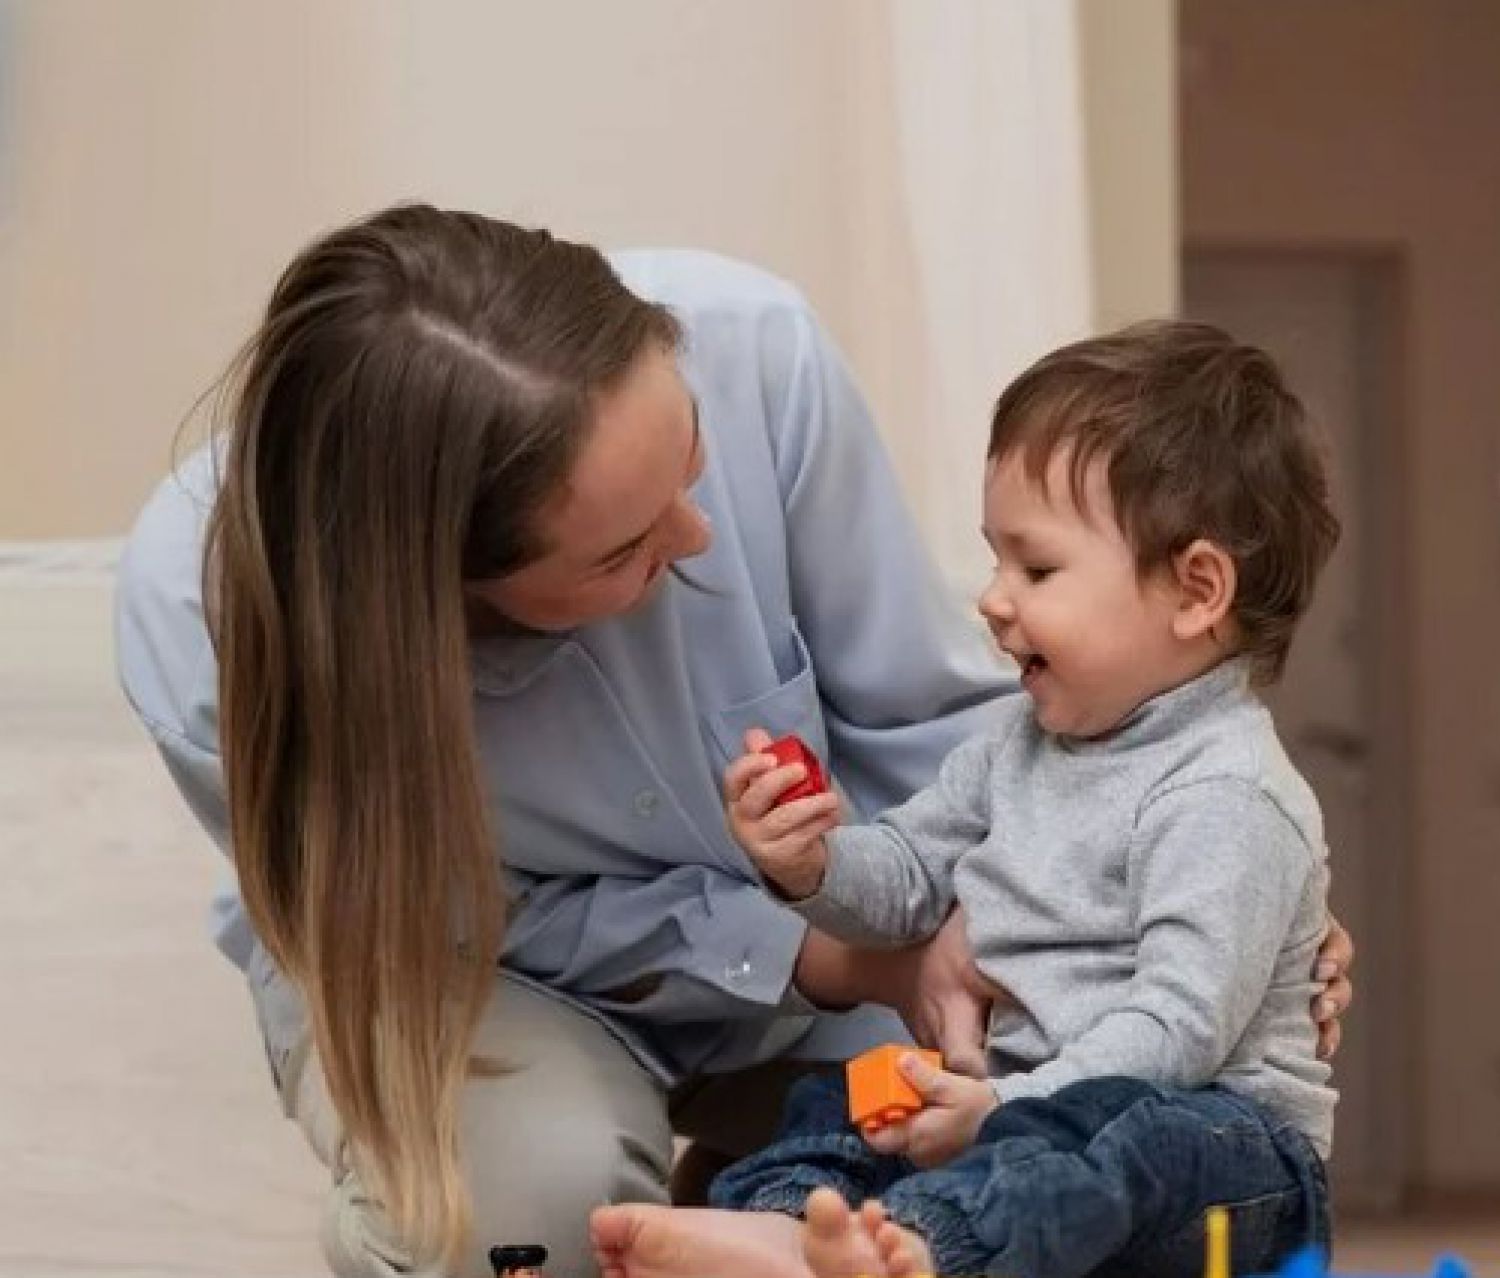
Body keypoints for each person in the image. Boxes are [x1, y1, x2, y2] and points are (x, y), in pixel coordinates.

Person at [113, 204, 1356, 1278]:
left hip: (1011, 1053)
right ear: (448, 592)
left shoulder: (753, 348)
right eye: (624, 550)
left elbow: (946, 737)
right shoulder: (201, 634)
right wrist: (825, 935)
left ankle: (792, 1216)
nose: (699, 540)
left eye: (692, 465)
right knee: (546, 1207)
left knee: (1005, 1147)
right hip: (478, 969)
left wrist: (1175, 915)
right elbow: (435, 921)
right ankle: (731, 1219)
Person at [591, 320, 1339, 1278]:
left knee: (1127, 1141)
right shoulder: (1020, 746)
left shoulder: (1229, 794)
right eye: (995, 562)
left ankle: (928, 1246)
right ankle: (791, 1228)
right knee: (845, 1101)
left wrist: (1009, 1111)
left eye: (1035, 569)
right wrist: (808, 861)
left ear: (1196, 591)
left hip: (1222, 1153)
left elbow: (1177, 1031)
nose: (992, 599)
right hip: (1026, 1109)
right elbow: (904, 879)